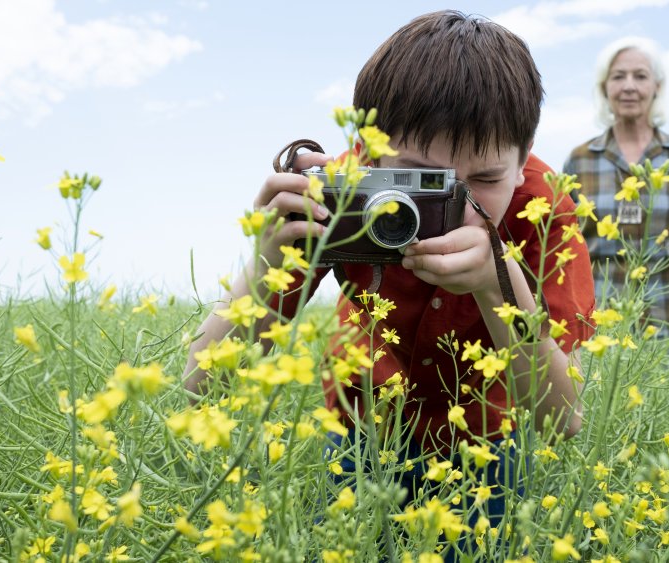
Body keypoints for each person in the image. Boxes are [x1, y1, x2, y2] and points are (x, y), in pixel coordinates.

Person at [183, 10, 595, 556]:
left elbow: (561, 418)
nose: (458, 205)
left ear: (523, 164)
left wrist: (498, 284)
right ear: (370, 155)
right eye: (419, 181)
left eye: (487, 180)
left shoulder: (546, 206)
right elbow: (199, 386)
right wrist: (265, 265)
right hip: (363, 424)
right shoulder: (344, 191)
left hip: (488, 434)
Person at [563, 37, 669, 335]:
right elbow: (568, 239)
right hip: (602, 321)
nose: (629, 86)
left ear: (657, 86)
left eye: (640, 76)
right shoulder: (579, 161)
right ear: (604, 87)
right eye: (618, 76)